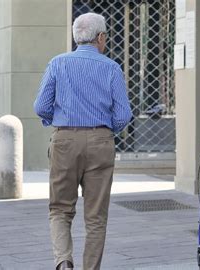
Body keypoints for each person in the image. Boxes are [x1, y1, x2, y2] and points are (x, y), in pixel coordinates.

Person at [34, 13, 132, 270]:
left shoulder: (58, 63)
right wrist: (106, 132)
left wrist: (56, 122)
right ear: (101, 37)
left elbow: (40, 106)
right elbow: (123, 115)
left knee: (60, 209)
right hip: (101, 141)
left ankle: (64, 262)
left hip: (64, 140)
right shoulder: (111, 67)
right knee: (96, 216)